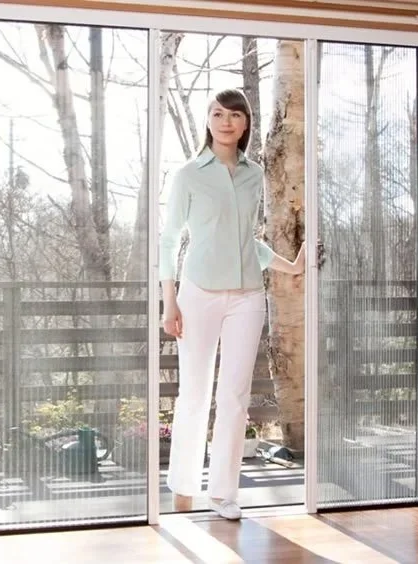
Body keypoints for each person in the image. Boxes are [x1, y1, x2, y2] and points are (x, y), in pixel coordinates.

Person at [159, 88, 306, 520]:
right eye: (218, 113)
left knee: (236, 395)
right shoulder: (188, 174)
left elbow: (248, 243)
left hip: (247, 295)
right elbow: (169, 241)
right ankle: (184, 486)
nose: (226, 121)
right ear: (208, 120)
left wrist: (291, 268)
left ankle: (225, 493)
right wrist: (170, 302)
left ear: (245, 124)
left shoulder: (254, 175)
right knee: (194, 393)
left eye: (235, 115)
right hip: (198, 292)